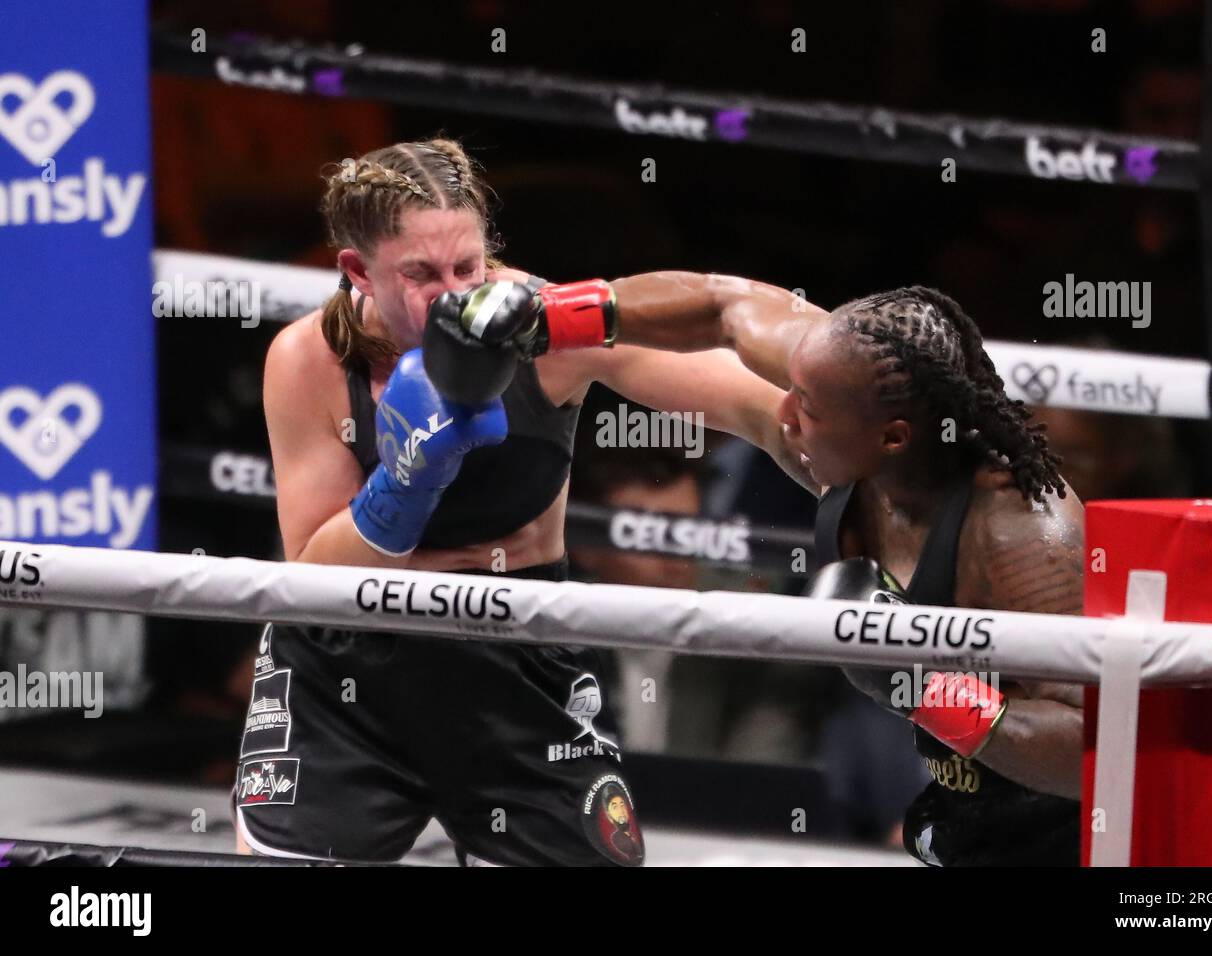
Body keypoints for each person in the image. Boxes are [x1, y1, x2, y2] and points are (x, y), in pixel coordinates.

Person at [233, 138, 807, 866]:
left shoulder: (545, 326)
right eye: (420, 274)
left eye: (467, 268)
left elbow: (756, 408)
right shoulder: (308, 359)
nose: (453, 295)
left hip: (516, 660)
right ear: (359, 271)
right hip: (345, 671)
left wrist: (845, 464)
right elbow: (311, 575)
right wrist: (403, 483)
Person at [498, 273, 1084, 866]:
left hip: (1063, 839)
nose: (781, 410)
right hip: (954, 809)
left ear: (894, 437)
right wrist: (552, 314)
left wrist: (925, 686)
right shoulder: (847, 370)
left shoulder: (1022, 533)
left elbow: (1091, 749)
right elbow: (722, 304)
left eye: (809, 407)